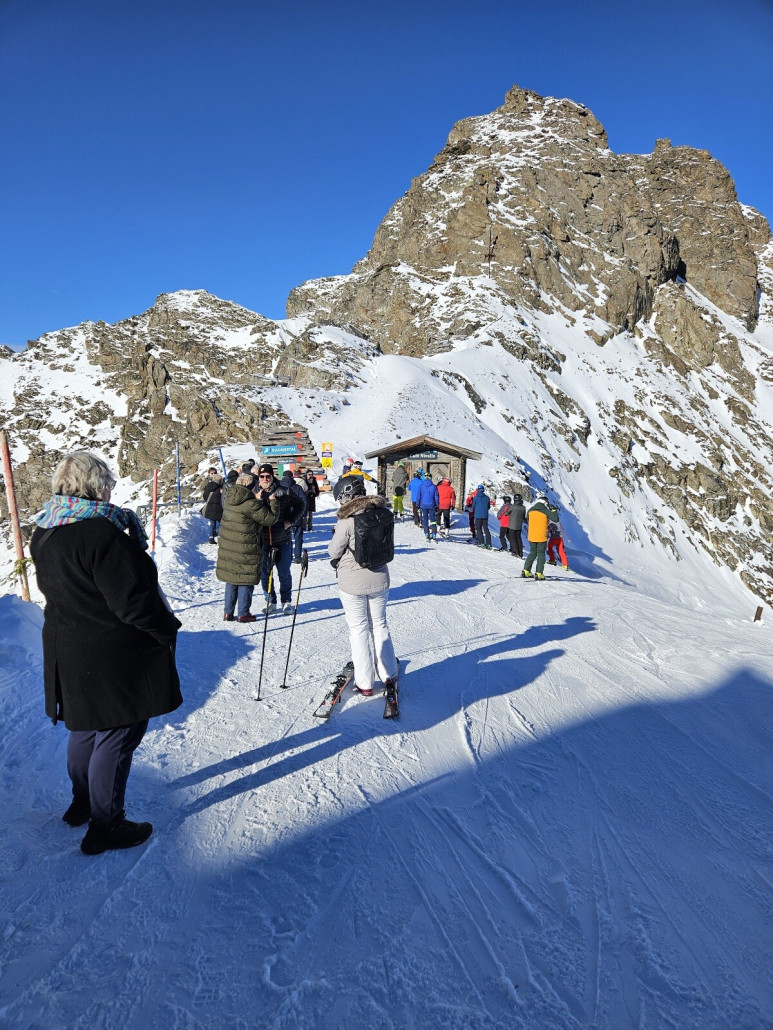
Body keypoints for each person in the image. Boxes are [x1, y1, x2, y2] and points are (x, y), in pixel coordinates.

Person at [30, 450, 183, 856]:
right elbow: (132, 601)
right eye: (108, 482)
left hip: (68, 646)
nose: (112, 489)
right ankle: (105, 824)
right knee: (119, 731)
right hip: (111, 651)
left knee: (84, 728)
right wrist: (166, 628)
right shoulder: (101, 533)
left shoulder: (45, 530)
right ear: (95, 485)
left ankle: (82, 803)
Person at [328, 476, 399, 698]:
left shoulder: (347, 520)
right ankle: (389, 674)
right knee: (379, 625)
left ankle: (365, 682)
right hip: (380, 577)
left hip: (352, 582)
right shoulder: (383, 513)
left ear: (346, 496)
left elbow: (333, 551)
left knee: (358, 629)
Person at [217, 473, 280, 622]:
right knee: (245, 578)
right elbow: (270, 519)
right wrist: (273, 502)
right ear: (250, 488)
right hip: (246, 546)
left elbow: (243, 510)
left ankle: (228, 612)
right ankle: (243, 613)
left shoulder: (230, 499)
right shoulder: (251, 504)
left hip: (229, 545)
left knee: (231, 578)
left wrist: (255, 499)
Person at [255, 463, 306, 613]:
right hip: (263, 541)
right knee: (265, 573)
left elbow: (301, 504)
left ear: (272, 477)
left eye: (268, 476)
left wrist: (290, 520)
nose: (265, 479)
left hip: (282, 539)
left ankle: (286, 601)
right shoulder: (254, 492)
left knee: (284, 573)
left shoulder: (283, 491)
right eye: (262, 476)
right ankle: (270, 602)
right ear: (258, 478)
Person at [522, 492, 560, 579]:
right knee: (541, 554)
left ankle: (526, 571)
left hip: (531, 535)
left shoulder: (530, 510)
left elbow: (528, 519)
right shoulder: (545, 510)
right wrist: (553, 510)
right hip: (541, 536)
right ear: (545, 503)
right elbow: (556, 519)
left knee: (532, 552)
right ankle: (539, 573)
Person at [283, 468, 308, 563]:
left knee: (286, 538)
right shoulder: (297, 488)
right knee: (298, 536)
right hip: (296, 516)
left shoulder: (279, 487)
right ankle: (297, 557)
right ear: (291, 477)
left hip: (284, 517)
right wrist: (303, 513)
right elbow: (304, 501)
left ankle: (287, 556)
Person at [202, 467, 224, 543]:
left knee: (212, 523)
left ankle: (211, 538)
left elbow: (205, 496)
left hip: (210, 507)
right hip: (219, 507)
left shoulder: (208, 484)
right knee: (220, 523)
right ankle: (219, 538)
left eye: (214, 473)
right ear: (209, 474)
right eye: (212, 473)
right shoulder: (221, 485)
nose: (213, 474)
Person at [417, 471, 440, 541]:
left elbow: (418, 496)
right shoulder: (433, 486)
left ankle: (426, 533)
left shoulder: (421, 486)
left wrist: (417, 505)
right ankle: (434, 534)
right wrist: (437, 505)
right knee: (433, 520)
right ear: (430, 478)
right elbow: (436, 497)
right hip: (431, 505)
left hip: (423, 505)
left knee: (425, 519)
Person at [471, 484, 493, 548]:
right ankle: (489, 544)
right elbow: (488, 507)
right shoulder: (487, 498)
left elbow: (473, 507)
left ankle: (481, 543)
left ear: (478, 490)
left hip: (478, 516)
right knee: (486, 529)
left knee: (479, 529)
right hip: (485, 516)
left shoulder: (475, 498)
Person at [508, 493, 526, 558]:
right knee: (518, 538)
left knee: (512, 538)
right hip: (519, 525)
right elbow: (524, 517)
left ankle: (515, 552)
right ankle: (520, 552)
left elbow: (507, 513)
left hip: (512, 525)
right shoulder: (523, 507)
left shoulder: (512, 506)